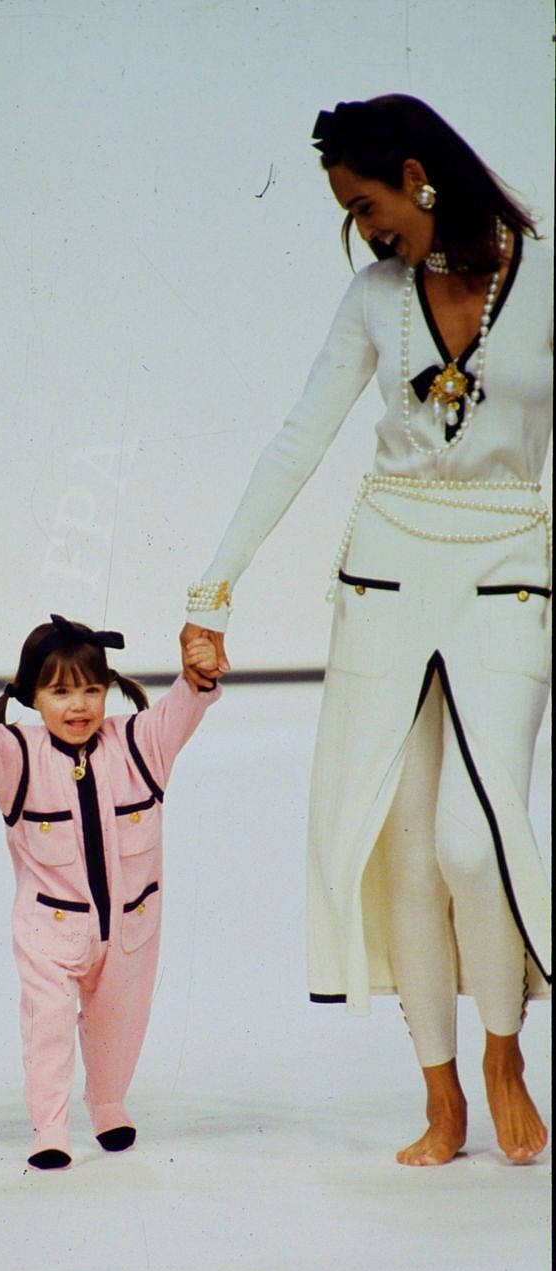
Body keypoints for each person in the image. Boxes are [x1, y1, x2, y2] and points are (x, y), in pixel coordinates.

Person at [181, 94, 551, 1167]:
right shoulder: (374, 298)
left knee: (474, 840)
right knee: (405, 847)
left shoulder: (544, 279)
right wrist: (212, 590)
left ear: (418, 176)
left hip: (508, 571)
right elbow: (301, 435)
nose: (363, 227)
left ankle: (503, 1052)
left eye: (366, 203)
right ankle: (440, 1095)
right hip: (386, 577)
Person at [0, 615, 222, 1168]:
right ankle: (50, 1127)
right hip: (50, 930)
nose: (79, 706)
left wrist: (197, 677)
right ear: (32, 697)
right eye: (60, 692)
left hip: (130, 928)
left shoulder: (139, 744)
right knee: (49, 1022)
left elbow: (181, 710)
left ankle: (109, 1105)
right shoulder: (17, 755)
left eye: (91, 689)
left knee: (120, 1022)